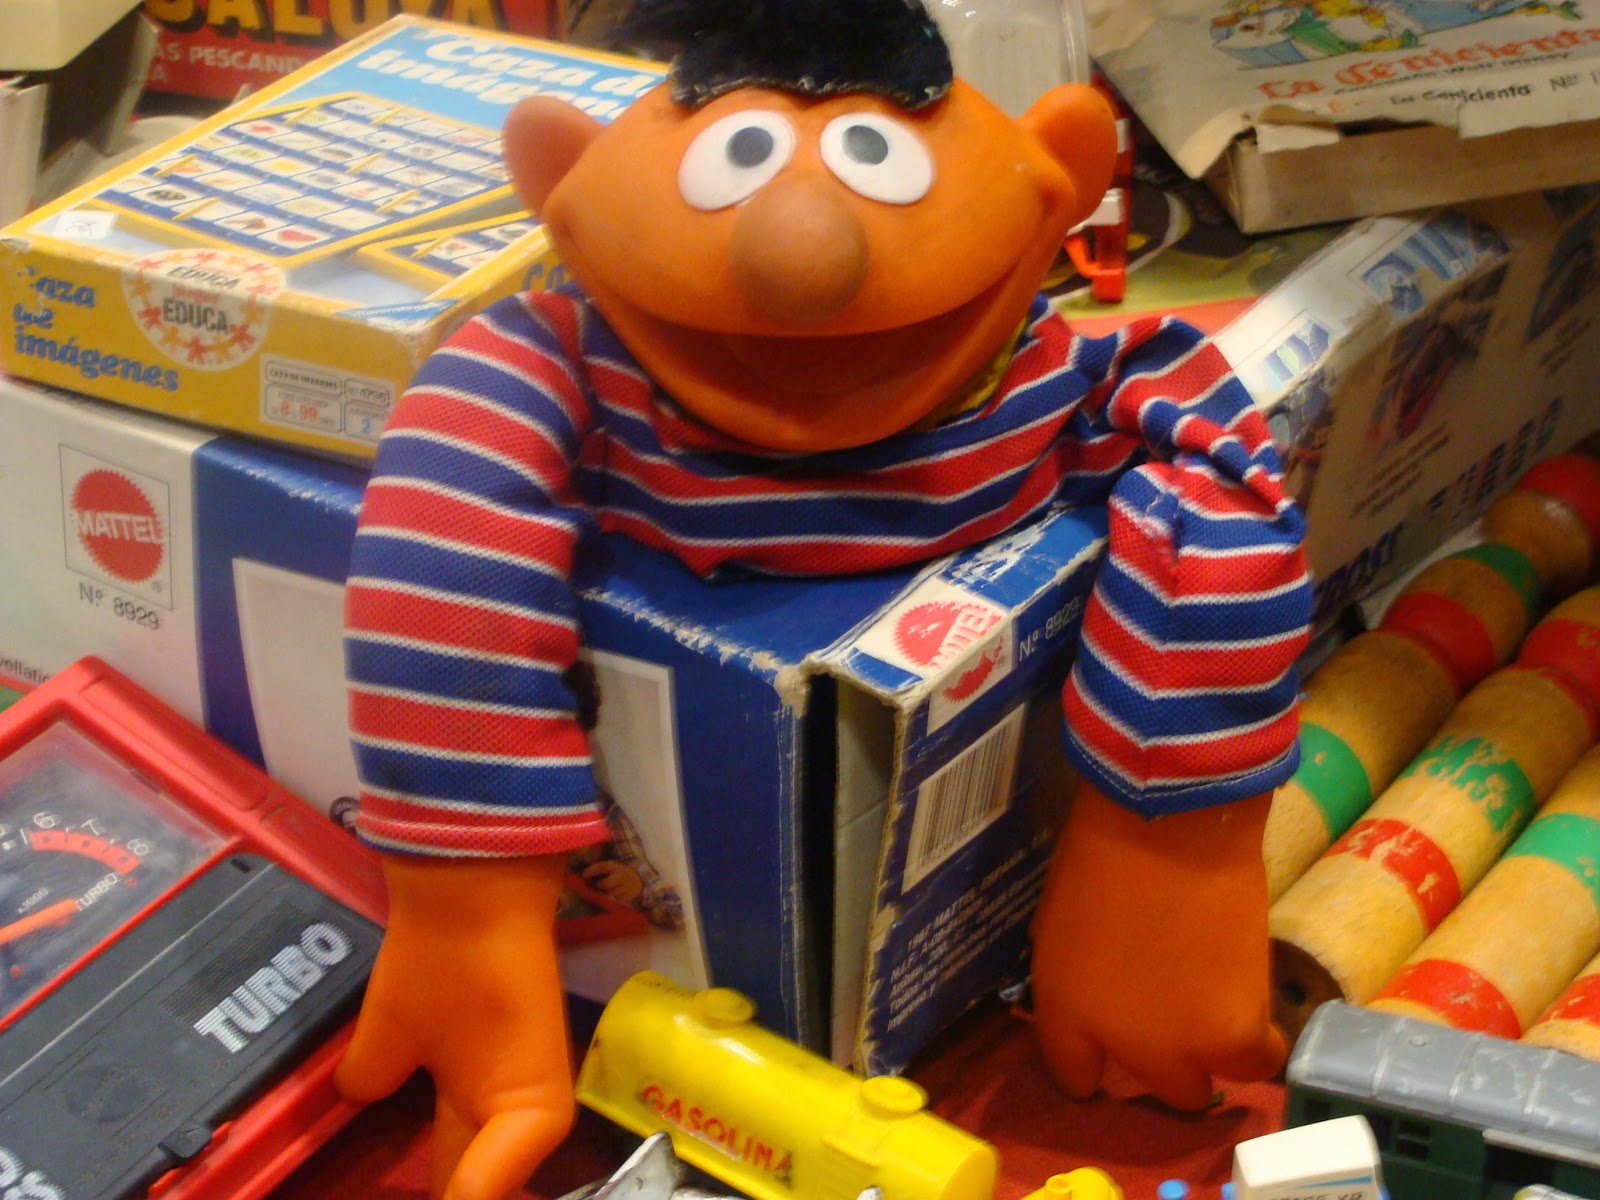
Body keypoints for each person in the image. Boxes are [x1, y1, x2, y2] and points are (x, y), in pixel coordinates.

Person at [335, 2, 1314, 1197]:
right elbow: (444, 513)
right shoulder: (561, 358)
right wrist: (462, 901)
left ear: (1060, 175)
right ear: (558, 181)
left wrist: (1169, 843)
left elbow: (1222, 474)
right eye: (740, 160)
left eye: (870, 158)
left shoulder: (1060, 369)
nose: (802, 260)